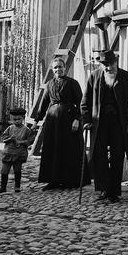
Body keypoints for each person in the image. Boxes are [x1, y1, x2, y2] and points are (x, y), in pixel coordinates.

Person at [80, 49, 128, 203]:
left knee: (117, 155)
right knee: (99, 155)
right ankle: (104, 189)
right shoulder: (94, 77)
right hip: (98, 124)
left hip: (119, 123)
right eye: (105, 65)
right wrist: (86, 120)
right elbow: (85, 103)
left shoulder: (125, 77)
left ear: (116, 62)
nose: (108, 68)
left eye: (111, 64)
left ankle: (114, 192)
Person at [36, 55, 89, 190]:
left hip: (69, 120)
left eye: (60, 67)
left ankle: (69, 180)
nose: (57, 69)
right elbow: (44, 103)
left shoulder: (72, 83)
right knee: (53, 149)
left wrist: (77, 119)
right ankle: (53, 180)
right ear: (52, 70)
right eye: (55, 68)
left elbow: (81, 103)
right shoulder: (49, 84)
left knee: (68, 149)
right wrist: (37, 120)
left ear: (65, 68)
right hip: (53, 121)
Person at [0, 107, 37, 194]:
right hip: (8, 153)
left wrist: (21, 142)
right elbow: (3, 138)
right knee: (4, 171)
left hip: (19, 154)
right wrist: (9, 139)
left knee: (17, 170)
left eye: (19, 119)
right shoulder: (10, 128)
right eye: (14, 119)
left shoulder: (26, 130)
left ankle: (17, 187)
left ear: (23, 118)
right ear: (12, 119)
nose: (17, 121)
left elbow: (30, 140)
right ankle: (3, 187)